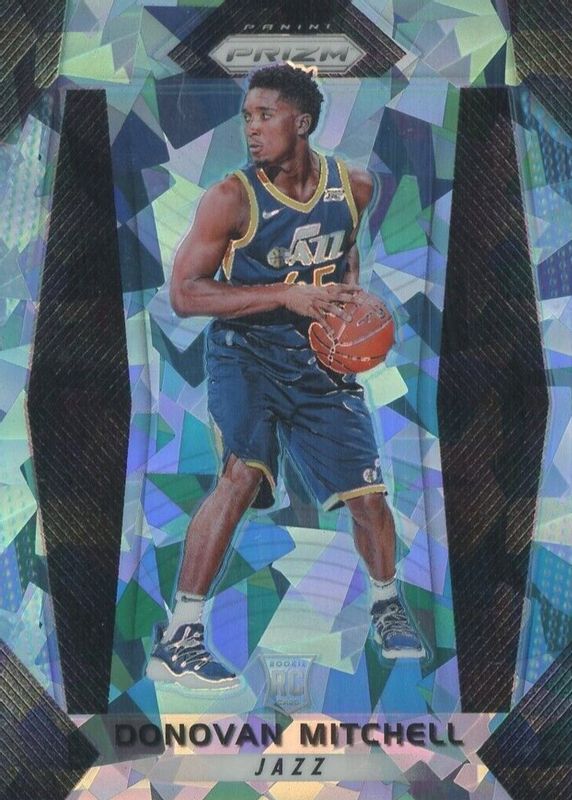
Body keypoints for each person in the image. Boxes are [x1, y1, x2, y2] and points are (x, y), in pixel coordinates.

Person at [147, 63, 425, 689]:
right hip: (244, 354)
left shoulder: (354, 187)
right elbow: (185, 294)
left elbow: (344, 256)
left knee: (369, 496)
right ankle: (181, 634)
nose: (251, 128)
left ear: (301, 122)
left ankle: (387, 604)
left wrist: (350, 313)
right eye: (247, 116)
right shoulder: (231, 197)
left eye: (264, 115)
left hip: (315, 359)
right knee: (241, 474)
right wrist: (284, 296)